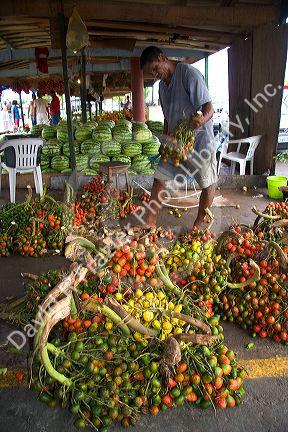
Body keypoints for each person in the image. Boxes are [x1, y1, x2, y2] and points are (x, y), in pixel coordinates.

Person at [140, 46, 217, 229]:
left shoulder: (188, 74)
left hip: (199, 141)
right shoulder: (161, 88)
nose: (155, 75)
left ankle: (198, 225)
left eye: (155, 69)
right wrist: (166, 138)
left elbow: (209, 108)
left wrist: (201, 119)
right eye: (151, 73)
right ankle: (149, 223)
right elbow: (167, 117)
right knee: (160, 177)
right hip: (176, 142)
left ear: (162, 57)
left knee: (207, 184)